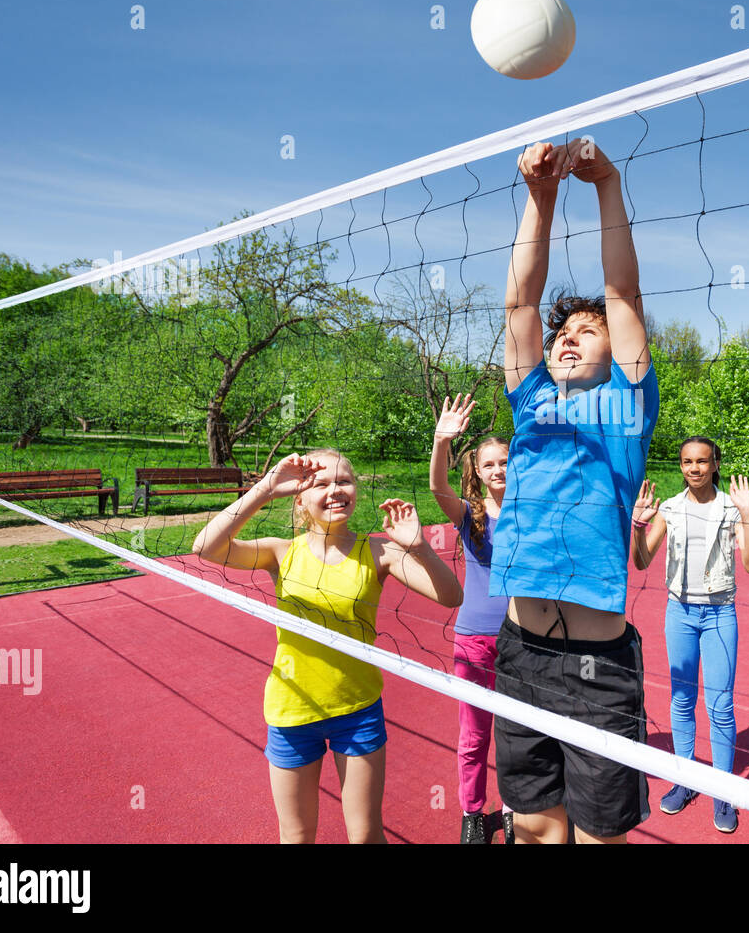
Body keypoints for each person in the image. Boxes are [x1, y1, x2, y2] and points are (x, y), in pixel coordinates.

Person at [488, 137, 660, 844]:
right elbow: (520, 300)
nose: (568, 337)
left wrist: (605, 184)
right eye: (565, 330)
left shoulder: (627, 406)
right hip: (520, 648)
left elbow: (623, 292)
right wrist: (540, 193)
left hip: (597, 667)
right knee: (531, 826)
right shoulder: (529, 402)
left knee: (595, 838)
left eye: (587, 333)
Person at [192, 449, 462, 843]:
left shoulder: (378, 552)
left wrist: (419, 546)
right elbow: (205, 547)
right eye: (321, 484)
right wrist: (267, 489)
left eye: (344, 481)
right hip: (292, 709)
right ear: (299, 498)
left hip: (358, 709)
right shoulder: (281, 552)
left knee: (366, 835)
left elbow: (451, 596)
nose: (335, 490)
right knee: (297, 835)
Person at [630, 436, 749, 834]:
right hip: (679, 613)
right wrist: (638, 525)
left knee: (720, 705)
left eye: (702, 461)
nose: (694, 468)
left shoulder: (731, 508)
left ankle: (722, 791)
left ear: (715, 463)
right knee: (681, 698)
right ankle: (684, 780)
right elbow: (640, 561)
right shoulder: (669, 509)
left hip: (720, 613)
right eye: (687, 461)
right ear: (681, 465)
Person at [428, 393, 513, 844]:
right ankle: (473, 813)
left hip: (525, 641)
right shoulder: (469, 514)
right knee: (475, 734)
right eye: (489, 464)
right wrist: (442, 441)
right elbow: (437, 489)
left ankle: (516, 806)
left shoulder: (531, 513)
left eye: (506, 461)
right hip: (476, 639)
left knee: (519, 735)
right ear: (477, 472)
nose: (499, 469)